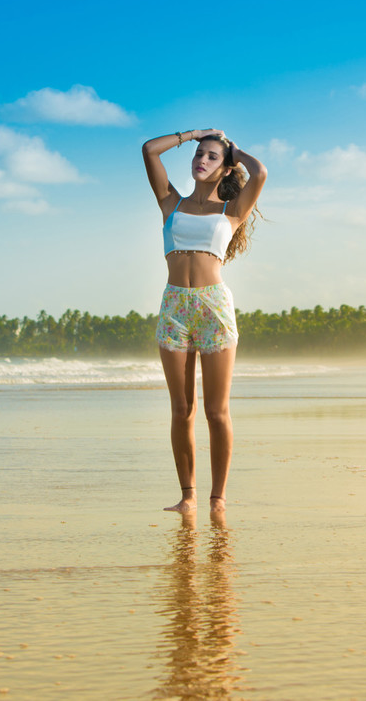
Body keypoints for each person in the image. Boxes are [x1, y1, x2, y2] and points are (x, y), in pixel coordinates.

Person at [141, 128, 267, 515]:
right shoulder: (171, 203)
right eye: (199, 154)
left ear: (227, 168)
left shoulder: (231, 212)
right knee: (182, 409)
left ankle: (217, 499)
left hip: (213, 307)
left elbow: (259, 173)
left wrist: (232, 149)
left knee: (216, 411)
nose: (201, 160)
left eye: (212, 157)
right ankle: (188, 496)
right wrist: (194, 134)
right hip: (175, 307)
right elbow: (149, 150)